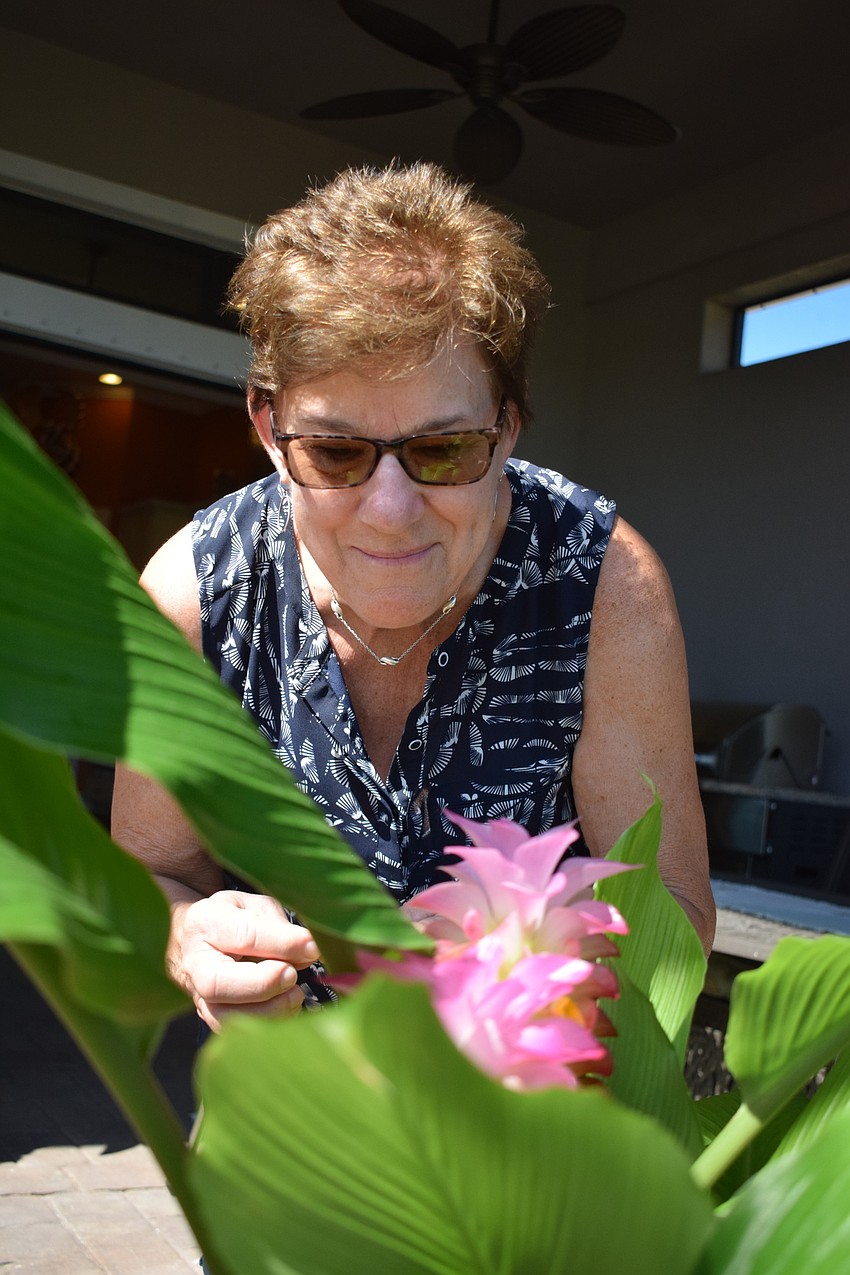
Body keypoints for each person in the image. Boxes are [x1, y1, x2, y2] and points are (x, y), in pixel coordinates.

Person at [111, 162, 715, 1031]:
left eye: (444, 450)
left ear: (508, 426)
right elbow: (150, 872)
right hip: (289, 1105)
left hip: (530, 1126)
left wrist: (530, 956)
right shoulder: (194, 595)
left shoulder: (603, 585)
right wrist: (184, 936)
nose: (390, 512)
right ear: (267, 428)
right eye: (334, 451)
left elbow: (676, 913)